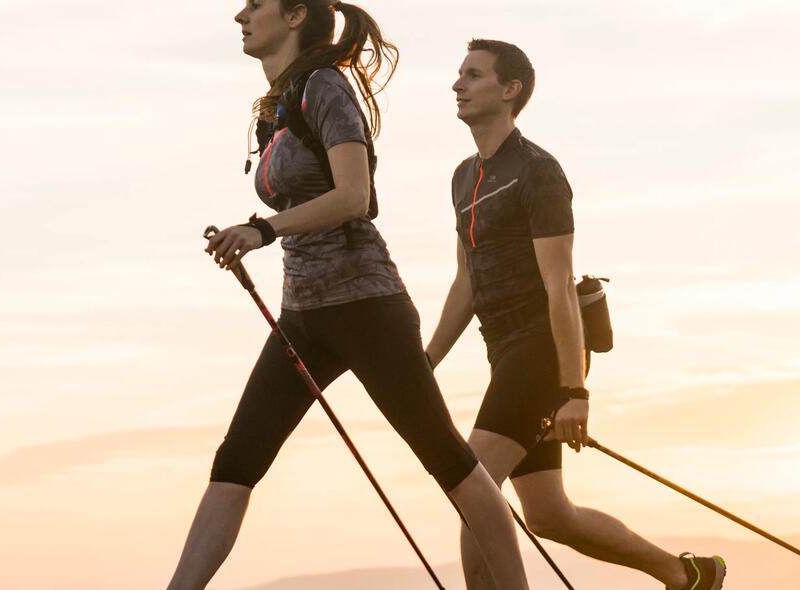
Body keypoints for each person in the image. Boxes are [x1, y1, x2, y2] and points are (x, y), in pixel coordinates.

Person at [168, 2, 530, 588]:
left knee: (448, 461)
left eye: (255, 4)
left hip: (367, 306)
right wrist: (254, 230)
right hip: (303, 315)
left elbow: (354, 196)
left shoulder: (324, 87)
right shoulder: (277, 107)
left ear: (294, 16)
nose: (239, 15)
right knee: (236, 462)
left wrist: (260, 229)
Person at [424, 38, 726, 590]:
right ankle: (685, 576)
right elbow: (466, 282)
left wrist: (574, 390)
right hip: (505, 353)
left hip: (543, 351)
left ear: (510, 90)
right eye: (459, 74)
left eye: (473, 74)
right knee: (548, 515)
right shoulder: (464, 176)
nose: (457, 84)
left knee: (473, 485)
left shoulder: (539, 172)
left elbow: (560, 286)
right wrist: (424, 363)